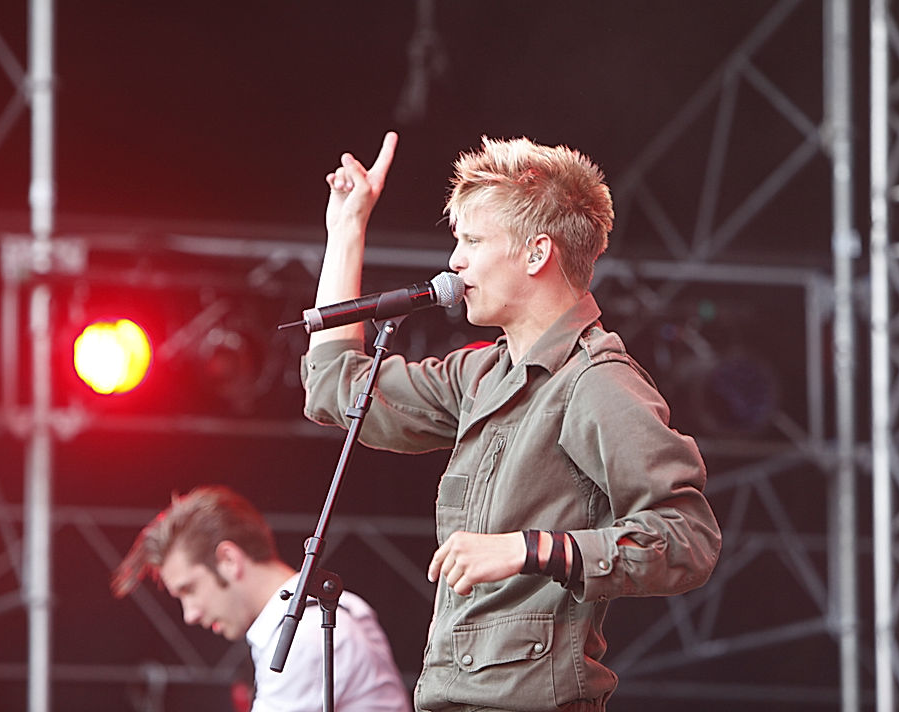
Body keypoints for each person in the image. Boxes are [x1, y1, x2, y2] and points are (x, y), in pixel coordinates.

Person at [300, 132, 722, 712]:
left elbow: (687, 539)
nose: (455, 260)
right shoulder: (480, 376)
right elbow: (337, 387)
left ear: (536, 253)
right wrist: (346, 231)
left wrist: (532, 549)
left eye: (473, 240)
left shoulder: (597, 381)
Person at [112, 485, 413, 712]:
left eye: (189, 590)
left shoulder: (305, 636)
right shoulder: (312, 620)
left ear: (229, 560)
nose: (189, 614)